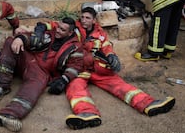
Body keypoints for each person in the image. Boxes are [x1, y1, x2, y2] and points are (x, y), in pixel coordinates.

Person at [37, 7, 175, 130]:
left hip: (97, 68)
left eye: (87, 18)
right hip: (77, 70)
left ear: (94, 20)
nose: (84, 20)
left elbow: (107, 46)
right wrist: (40, 29)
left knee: (119, 84)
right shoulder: (73, 28)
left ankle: (148, 103)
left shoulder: (100, 33)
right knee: (75, 90)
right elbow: (52, 26)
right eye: (82, 17)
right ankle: (87, 113)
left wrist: (112, 56)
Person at [0, 17, 84, 132]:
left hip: (41, 72)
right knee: (11, 41)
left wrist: (64, 79)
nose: (58, 31)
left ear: (70, 32)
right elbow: (30, 37)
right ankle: (2, 86)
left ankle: (8, 115)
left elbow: (76, 66)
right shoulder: (50, 34)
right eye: (58, 27)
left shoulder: (75, 46)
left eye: (62, 30)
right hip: (29, 59)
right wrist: (20, 38)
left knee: (32, 89)